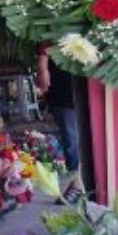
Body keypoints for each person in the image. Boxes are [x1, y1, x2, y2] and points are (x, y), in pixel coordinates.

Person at [36, 45, 87, 186]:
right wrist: (42, 66)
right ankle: (76, 184)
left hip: (92, 74)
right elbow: (43, 38)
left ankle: (85, 184)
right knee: (70, 137)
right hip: (63, 77)